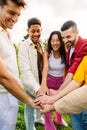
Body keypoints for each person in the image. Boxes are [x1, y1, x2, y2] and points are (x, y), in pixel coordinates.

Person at [35, 20, 87, 130]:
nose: (65, 40)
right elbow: (75, 77)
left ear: (77, 32)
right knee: (76, 122)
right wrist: (45, 85)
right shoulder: (70, 49)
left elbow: (72, 71)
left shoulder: (83, 47)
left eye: (68, 37)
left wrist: (56, 94)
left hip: (80, 94)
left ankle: (58, 118)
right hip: (70, 89)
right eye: (63, 37)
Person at [0, 0, 40, 130]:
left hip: (11, 94)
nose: (15, 19)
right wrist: (30, 101)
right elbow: (3, 76)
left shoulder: (6, 32)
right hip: (2, 97)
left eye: (18, 15)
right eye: (11, 13)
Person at [40, 56, 87, 128]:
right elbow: (76, 81)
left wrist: (53, 106)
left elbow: (84, 93)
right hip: (77, 104)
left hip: (81, 100)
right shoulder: (85, 59)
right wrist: (54, 97)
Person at [38, 31, 67, 130]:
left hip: (61, 81)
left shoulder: (65, 53)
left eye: (57, 40)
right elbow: (45, 67)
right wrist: (44, 84)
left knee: (59, 101)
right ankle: (49, 127)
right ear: (50, 42)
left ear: (61, 41)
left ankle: (58, 119)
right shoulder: (47, 53)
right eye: (53, 41)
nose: (55, 43)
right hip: (49, 80)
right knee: (47, 103)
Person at [18, 17, 44, 130]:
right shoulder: (23, 46)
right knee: (30, 109)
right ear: (27, 31)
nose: (36, 34)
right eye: (33, 31)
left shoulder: (41, 44)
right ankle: (30, 127)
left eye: (38, 31)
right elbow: (25, 71)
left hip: (40, 81)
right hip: (29, 85)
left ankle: (38, 118)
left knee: (38, 105)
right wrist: (37, 89)